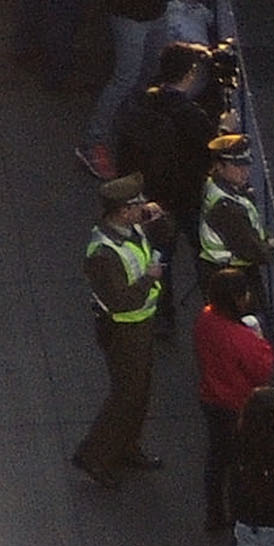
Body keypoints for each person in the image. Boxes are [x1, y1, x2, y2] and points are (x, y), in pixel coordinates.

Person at [73, 175, 168, 485]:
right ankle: (94, 456)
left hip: (141, 323)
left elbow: (167, 234)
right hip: (123, 330)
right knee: (126, 395)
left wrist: (157, 218)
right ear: (121, 211)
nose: (142, 207)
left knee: (140, 391)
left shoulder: (132, 229)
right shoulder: (102, 254)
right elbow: (119, 302)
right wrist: (149, 278)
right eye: (136, 205)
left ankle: (127, 445)